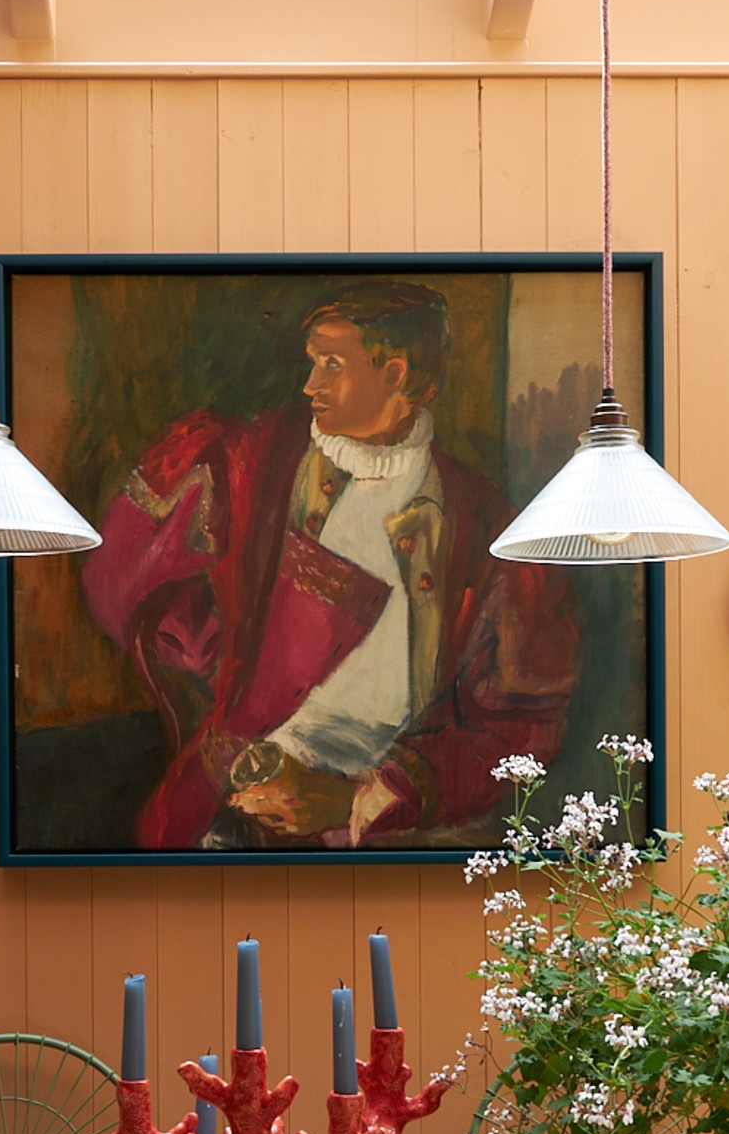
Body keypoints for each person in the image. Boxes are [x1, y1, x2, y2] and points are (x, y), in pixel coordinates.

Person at [81, 279, 582, 851]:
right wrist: (230, 674)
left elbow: (515, 724)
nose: (309, 384)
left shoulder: (483, 527)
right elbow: (119, 579)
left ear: (394, 375)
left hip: (393, 822)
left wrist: (355, 799)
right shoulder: (251, 462)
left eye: (331, 365)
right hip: (239, 793)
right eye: (313, 362)